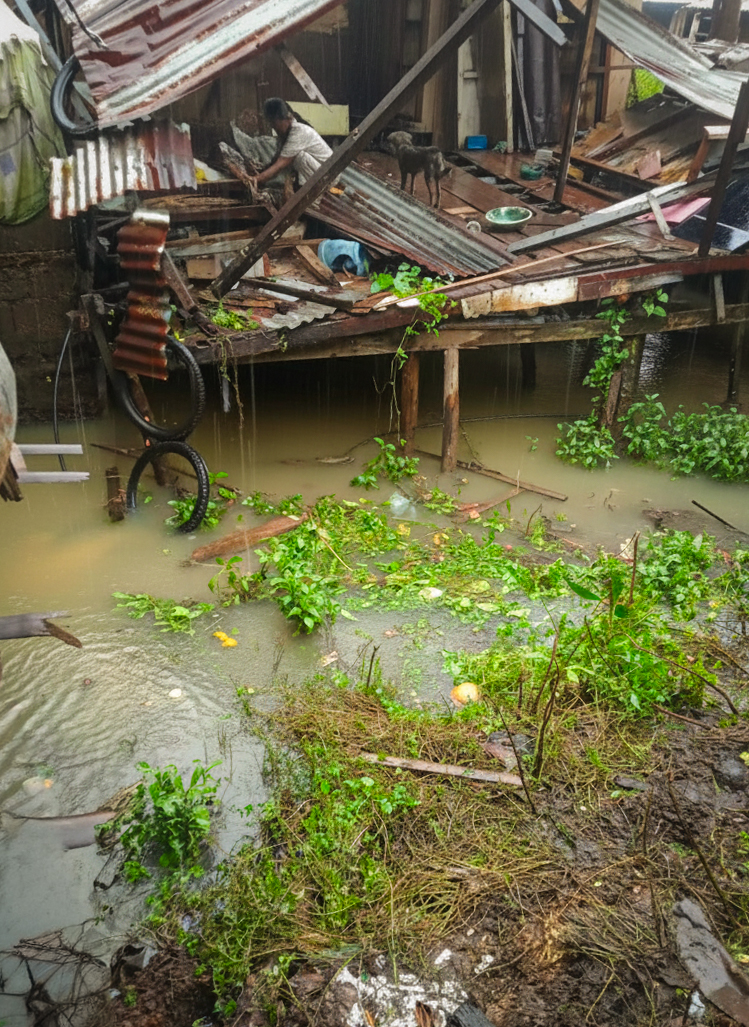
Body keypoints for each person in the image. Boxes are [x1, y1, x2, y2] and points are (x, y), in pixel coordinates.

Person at [253, 97, 333, 189]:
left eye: (274, 124)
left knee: (298, 156)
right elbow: (276, 161)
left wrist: (256, 179)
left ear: (283, 119)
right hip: (319, 172)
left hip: (329, 176)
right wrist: (260, 173)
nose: (274, 127)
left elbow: (279, 165)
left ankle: (315, 197)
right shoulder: (285, 135)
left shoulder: (299, 132)